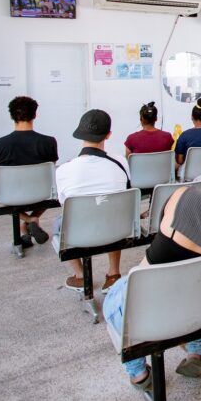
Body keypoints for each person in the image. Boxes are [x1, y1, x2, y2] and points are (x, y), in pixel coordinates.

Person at [102, 152, 201, 388]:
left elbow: (161, 224)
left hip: (150, 304)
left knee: (115, 295)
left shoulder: (185, 196)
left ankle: (138, 374)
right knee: (200, 288)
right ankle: (196, 352)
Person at [54, 110, 130, 293]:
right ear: (109, 135)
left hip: (79, 232)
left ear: (79, 133)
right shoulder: (121, 162)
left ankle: (81, 276)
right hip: (117, 228)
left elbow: (66, 205)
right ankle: (113, 273)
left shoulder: (63, 170)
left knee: (59, 222)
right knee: (113, 209)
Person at [0, 96, 59, 247]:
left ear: (11, 116)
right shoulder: (49, 142)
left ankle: (27, 221)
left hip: (10, 196)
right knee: (51, 189)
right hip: (41, 193)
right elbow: (50, 172)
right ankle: (28, 223)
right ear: (35, 115)